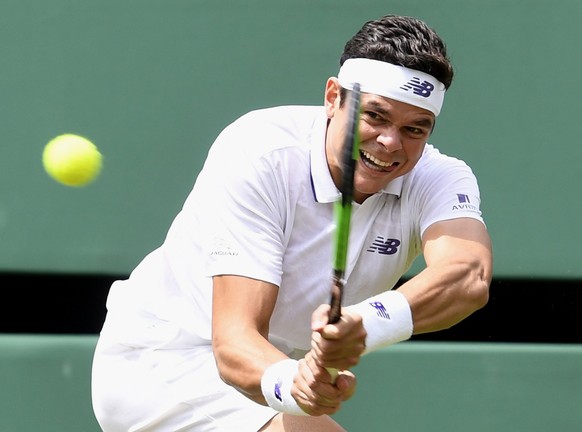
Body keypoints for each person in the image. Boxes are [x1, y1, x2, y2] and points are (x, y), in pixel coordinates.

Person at [91, 14, 492, 432]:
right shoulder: (261, 151)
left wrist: (365, 322)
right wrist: (292, 384)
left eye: (414, 128)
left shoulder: (440, 176)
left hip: (272, 374)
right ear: (333, 97)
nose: (391, 142)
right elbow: (234, 342)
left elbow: (468, 276)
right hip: (164, 360)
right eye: (375, 116)